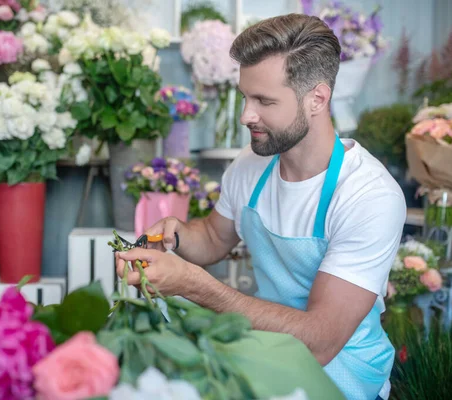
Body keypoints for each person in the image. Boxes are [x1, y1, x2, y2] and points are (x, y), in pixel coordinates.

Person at [115, 13, 406, 400]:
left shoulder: (369, 196)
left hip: (342, 373)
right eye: (245, 97)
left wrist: (194, 285)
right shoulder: (252, 165)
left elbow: (321, 342)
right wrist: (176, 237)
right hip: (268, 350)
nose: (245, 116)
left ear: (317, 98)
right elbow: (214, 237)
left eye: (264, 101)